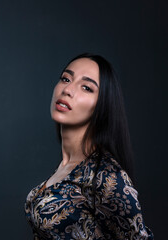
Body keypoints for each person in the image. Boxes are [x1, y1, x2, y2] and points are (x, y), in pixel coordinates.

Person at [25, 53, 154, 239]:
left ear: (102, 105)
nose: (68, 89)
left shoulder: (106, 176)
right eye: (65, 78)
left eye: (86, 87)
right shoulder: (66, 167)